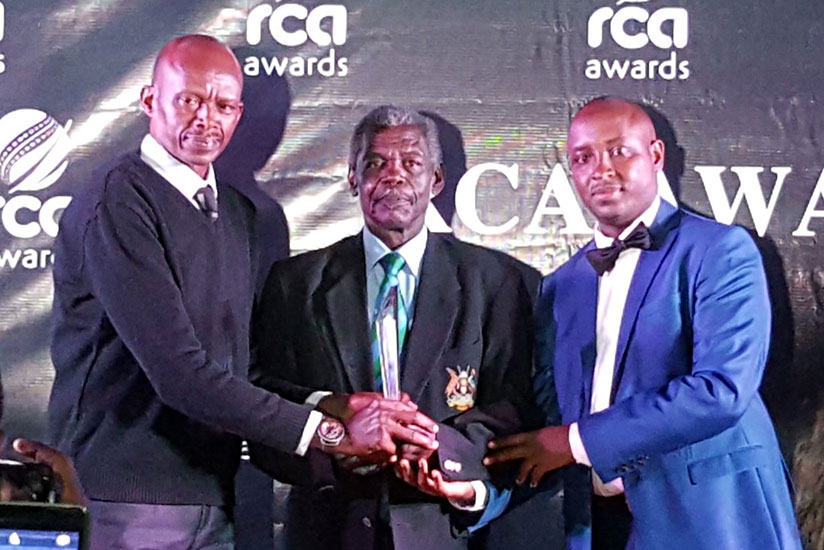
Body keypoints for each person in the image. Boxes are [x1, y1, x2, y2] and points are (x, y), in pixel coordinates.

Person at [48, 36, 436, 550]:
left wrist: (335, 403)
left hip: (215, 496)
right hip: (121, 500)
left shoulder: (238, 214)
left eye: (224, 105)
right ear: (149, 102)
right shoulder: (119, 200)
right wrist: (332, 435)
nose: (208, 119)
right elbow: (180, 373)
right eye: (190, 100)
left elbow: (241, 367)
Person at [485, 97, 802, 550]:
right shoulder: (561, 285)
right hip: (600, 528)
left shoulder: (720, 251)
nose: (601, 169)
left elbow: (722, 391)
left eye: (619, 151)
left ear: (655, 155)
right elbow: (548, 410)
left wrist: (575, 442)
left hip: (712, 520)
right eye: (583, 157)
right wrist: (469, 474)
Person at [249, 105, 540, 550]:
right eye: (375, 163)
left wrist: (439, 448)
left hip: (441, 531)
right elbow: (263, 402)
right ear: (352, 179)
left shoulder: (496, 283)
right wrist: (339, 443)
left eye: (411, 163)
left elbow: (514, 406)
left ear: (437, 181)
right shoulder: (296, 283)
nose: (393, 176)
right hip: (327, 531)